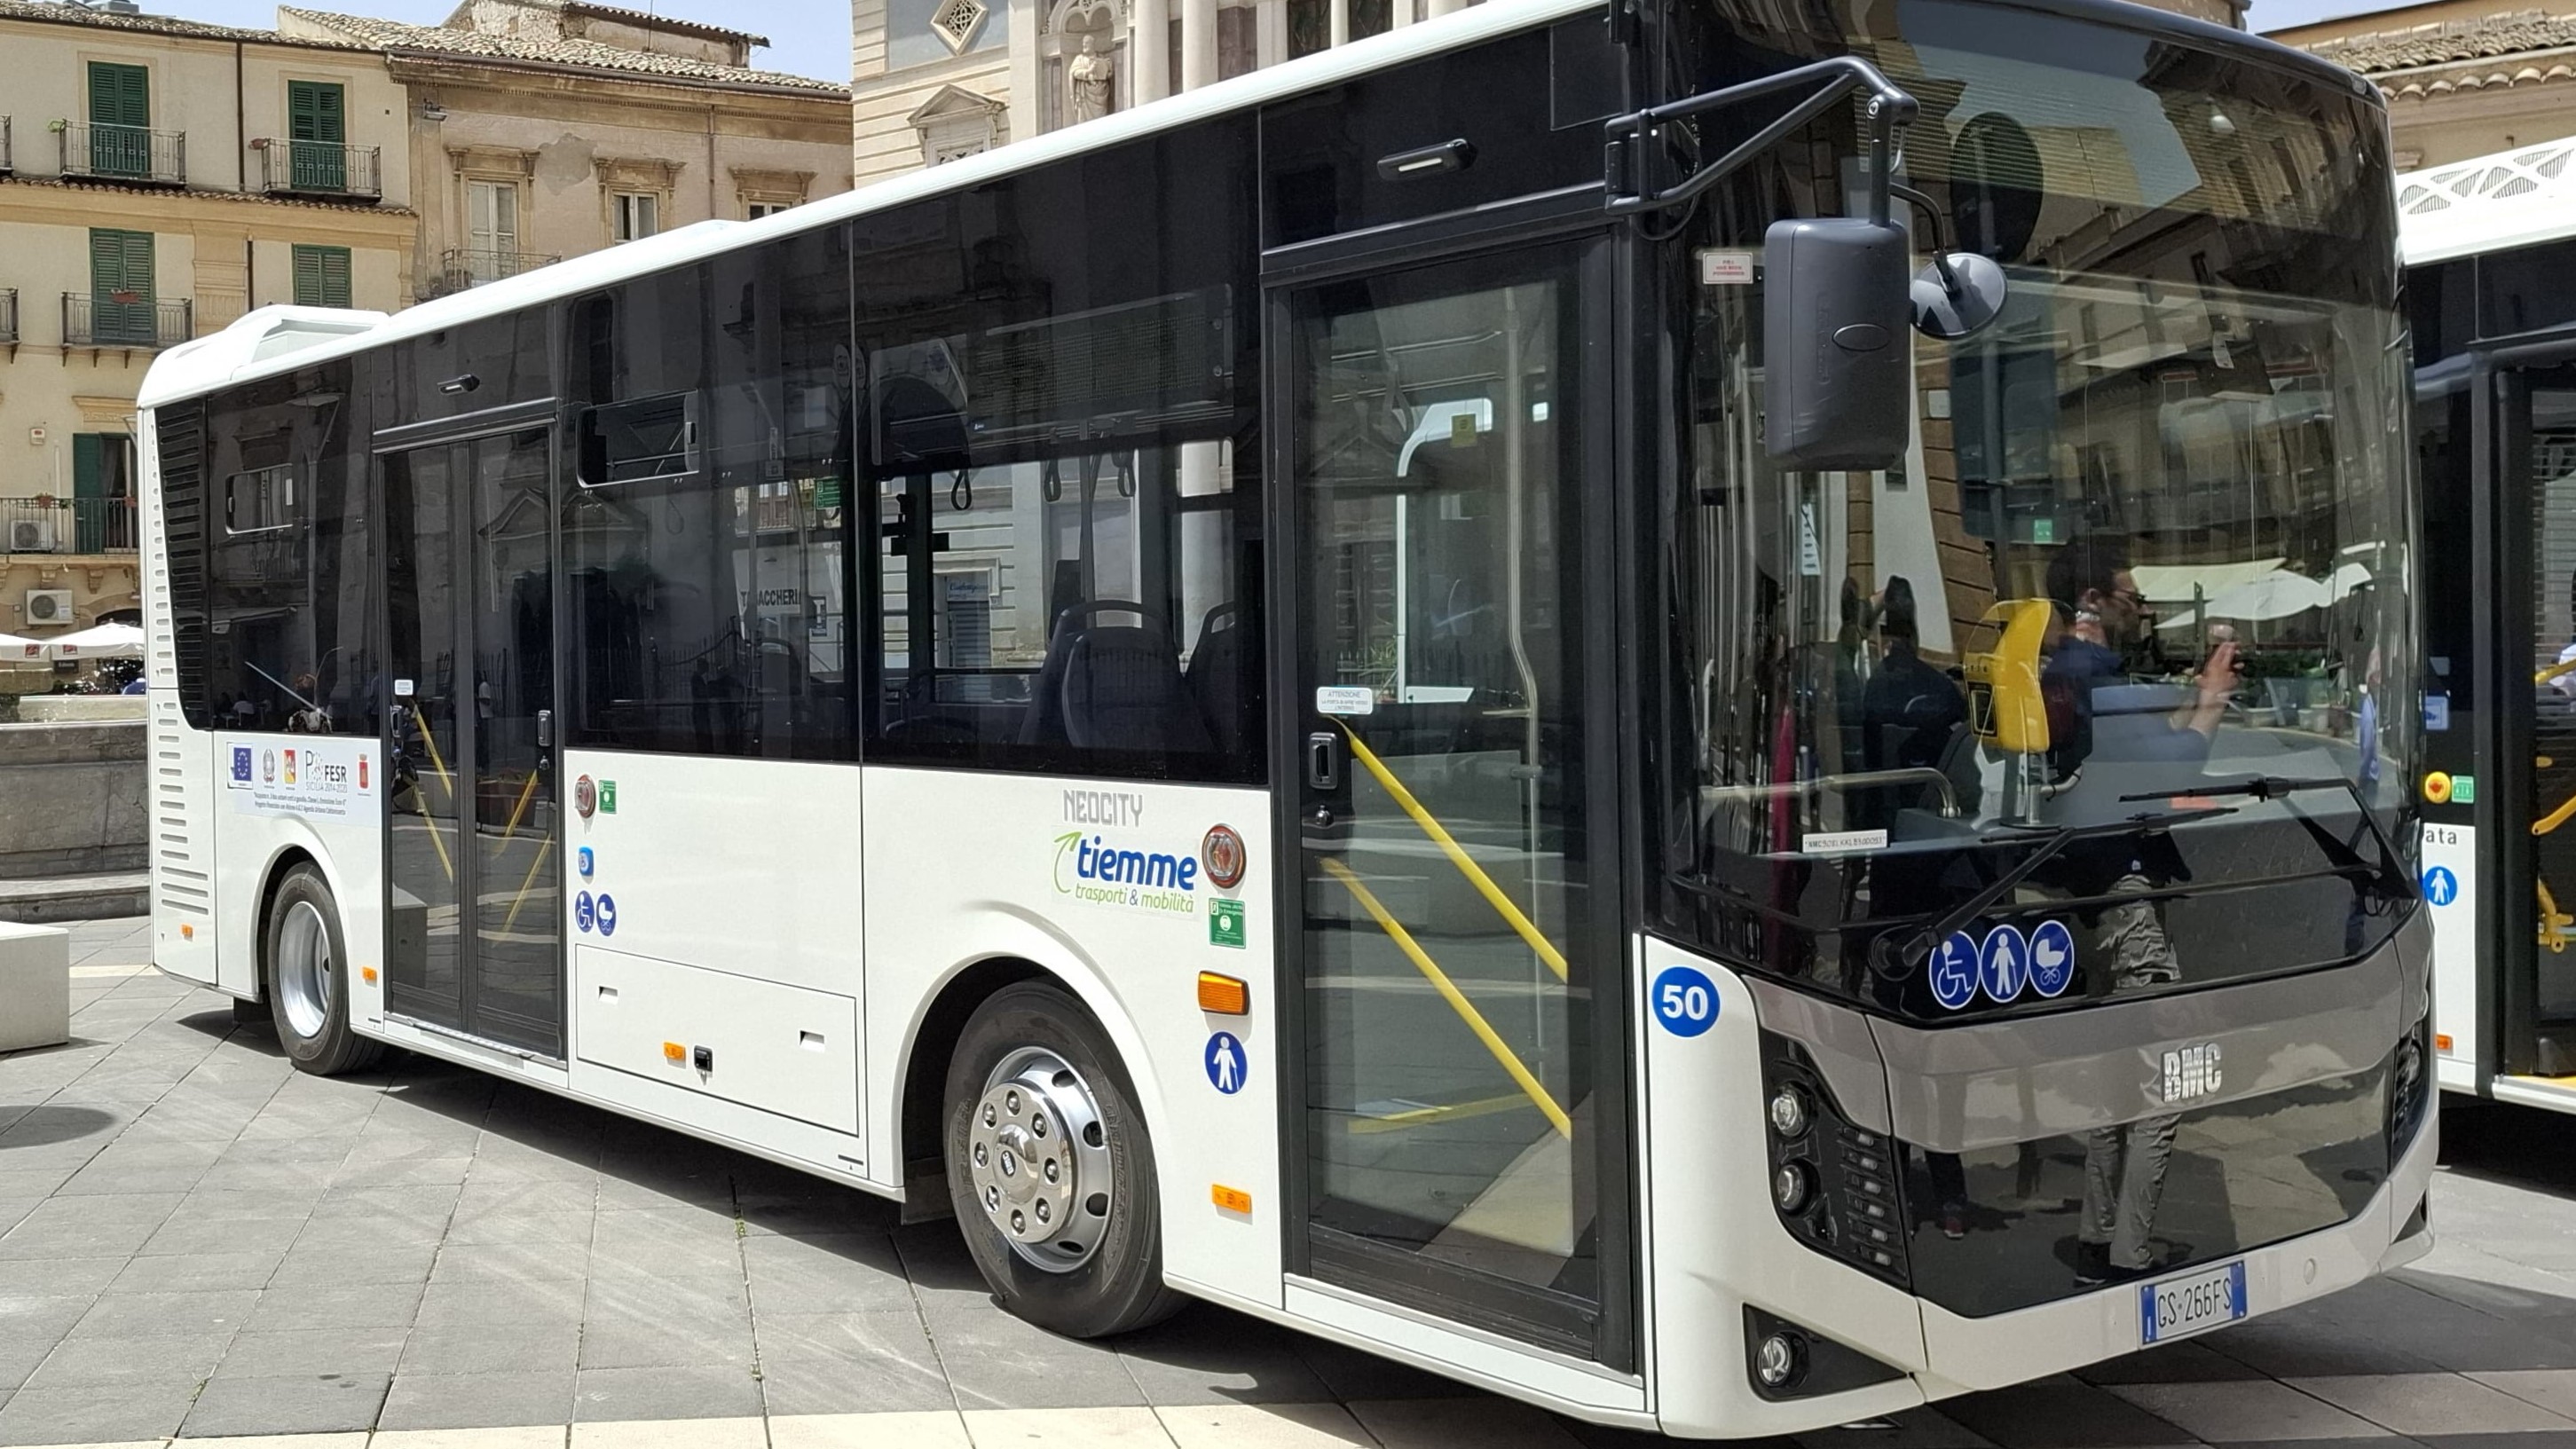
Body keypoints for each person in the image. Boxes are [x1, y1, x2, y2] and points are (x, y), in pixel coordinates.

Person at [2040, 536, 2234, 1287]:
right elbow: (2180, 762)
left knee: (2116, 1066)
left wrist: (2189, 695)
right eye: (2127, 594)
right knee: (2165, 1070)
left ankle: (2097, 1237)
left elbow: (2149, 751)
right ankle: (2131, 1249)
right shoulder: (2092, 673)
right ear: (2091, 601)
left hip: (2085, 886)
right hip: (2124, 889)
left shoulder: (2066, 670)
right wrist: (2212, 694)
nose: (2138, 605)